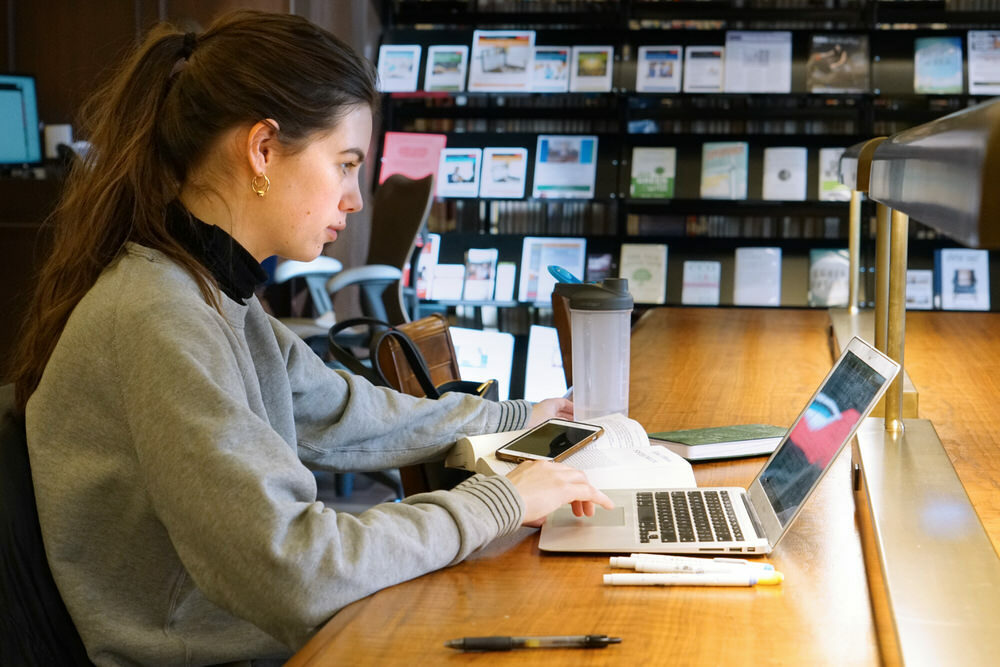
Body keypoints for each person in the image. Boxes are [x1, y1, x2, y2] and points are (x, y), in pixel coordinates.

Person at [7, 11, 612, 665]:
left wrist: (520, 417)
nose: (354, 199)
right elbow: (295, 566)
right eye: (345, 163)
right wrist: (498, 501)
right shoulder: (162, 316)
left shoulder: (211, 293)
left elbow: (347, 413)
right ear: (263, 149)